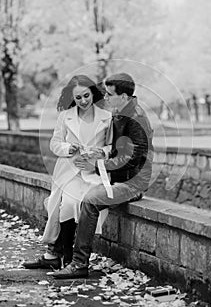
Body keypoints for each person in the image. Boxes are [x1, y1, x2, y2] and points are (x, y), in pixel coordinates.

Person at [52, 72, 154, 279]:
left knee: (89, 200)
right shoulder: (122, 112)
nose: (105, 98)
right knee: (71, 199)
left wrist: (96, 165)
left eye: (109, 95)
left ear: (124, 96)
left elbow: (132, 159)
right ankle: (57, 253)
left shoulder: (137, 119)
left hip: (132, 183)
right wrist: (101, 153)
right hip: (118, 178)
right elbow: (116, 149)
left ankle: (79, 264)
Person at [23, 75, 112, 270]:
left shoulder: (106, 116)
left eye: (86, 95)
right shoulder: (66, 116)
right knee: (67, 205)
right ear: (73, 98)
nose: (83, 101)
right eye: (78, 98)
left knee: (79, 205)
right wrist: (68, 148)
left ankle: (59, 256)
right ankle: (66, 257)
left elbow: (111, 146)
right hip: (70, 170)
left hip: (93, 172)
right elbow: (54, 143)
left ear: (92, 93)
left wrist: (101, 152)